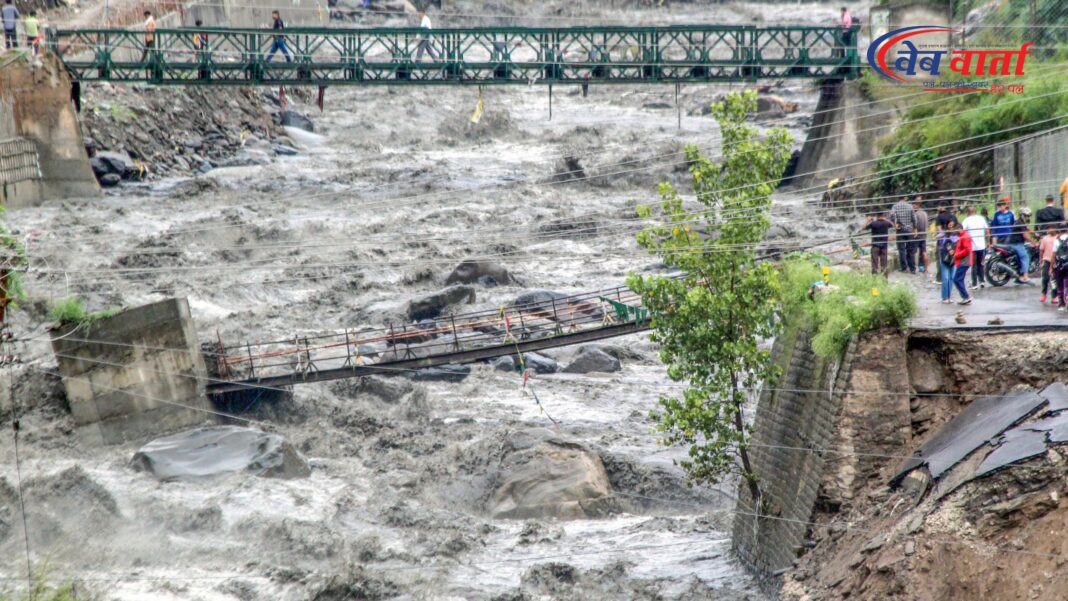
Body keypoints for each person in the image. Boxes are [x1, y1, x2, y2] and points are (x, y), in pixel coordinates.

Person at [960, 205, 989, 289]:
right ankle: (982, 281)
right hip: (982, 246)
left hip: (972, 247)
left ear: (968, 212)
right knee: (981, 264)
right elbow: (987, 231)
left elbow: (962, 232)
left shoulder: (966, 220)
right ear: (975, 211)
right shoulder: (981, 219)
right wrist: (988, 242)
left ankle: (974, 283)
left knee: (974, 265)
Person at [1006, 206, 1034, 283]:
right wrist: (1034, 242)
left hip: (1013, 243)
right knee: (1025, 257)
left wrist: (1035, 233)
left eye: (1028, 216)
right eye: (1027, 216)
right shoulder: (1020, 223)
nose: (1028, 218)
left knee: (1021, 256)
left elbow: (1027, 229)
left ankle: (1018, 277)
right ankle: (1025, 277)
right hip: (1016, 244)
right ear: (1022, 215)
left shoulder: (1019, 222)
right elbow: (1025, 235)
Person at [861, 212, 894, 276]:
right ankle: (884, 279)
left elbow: (863, 228)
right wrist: (886, 219)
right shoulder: (886, 223)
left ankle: (875, 277)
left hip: (875, 246)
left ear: (877, 216)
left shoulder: (873, 223)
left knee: (874, 263)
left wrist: (867, 221)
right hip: (884, 246)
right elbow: (893, 225)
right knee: (884, 263)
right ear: (883, 215)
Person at [890, 197, 917, 273]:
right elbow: (914, 218)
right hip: (909, 230)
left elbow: (891, 216)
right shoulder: (910, 206)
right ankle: (912, 268)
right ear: (905, 198)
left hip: (900, 230)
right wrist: (915, 228)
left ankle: (904, 268)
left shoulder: (895, 206)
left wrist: (895, 224)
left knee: (901, 249)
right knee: (910, 250)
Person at [936, 220, 960, 304]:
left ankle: (949, 296)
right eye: (949, 225)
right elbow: (937, 237)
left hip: (953, 259)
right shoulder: (943, 234)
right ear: (946, 225)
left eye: (952, 226)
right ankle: (944, 297)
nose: (951, 227)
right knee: (945, 278)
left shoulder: (956, 235)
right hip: (944, 259)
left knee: (951, 278)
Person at [951, 220, 974, 305]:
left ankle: (966, 296)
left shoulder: (964, 237)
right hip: (963, 261)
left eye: (956, 230)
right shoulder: (962, 236)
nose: (955, 232)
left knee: (957, 279)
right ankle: (965, 297)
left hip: (964, 261)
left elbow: (967, 250)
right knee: (959, 279)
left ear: (960, 229)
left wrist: (957, 255)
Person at [1038, 224, 1058, 303]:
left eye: (1052, 228)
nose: (1050, 230)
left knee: (1054, 281)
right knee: (1045, 279)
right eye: (1049, 228)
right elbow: (1041, 250)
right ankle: (1044, 294)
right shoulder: (1045, 239)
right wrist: (1041, 260)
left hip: (1056, 261)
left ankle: (1054, 296)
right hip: (1046, 260)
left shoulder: (1058, 238)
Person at [1053, 228, 1068, 311]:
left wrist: (1051, 267)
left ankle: (1061, 304)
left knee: (1060, 285)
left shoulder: (1056, 241)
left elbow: (1053, 255)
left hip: (1059, 266)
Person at [913, 199, 929, 273]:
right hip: (924, 235)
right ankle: (925, 269)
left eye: (914, 205)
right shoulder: (925, 213)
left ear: (917, 205)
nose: (913, 206)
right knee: (924, 252)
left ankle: (913, 268)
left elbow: (915, 225)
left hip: (917, 235)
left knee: (913, 251)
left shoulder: (916, 214)